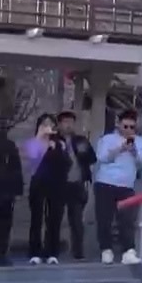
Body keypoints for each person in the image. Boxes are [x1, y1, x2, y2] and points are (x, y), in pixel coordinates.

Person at [94, 109, 142, 265]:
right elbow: (101, 157)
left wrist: (134, 152)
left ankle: (128, 251)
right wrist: (120, 149)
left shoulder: (141, 142)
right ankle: (106, 249)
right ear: (119, 124)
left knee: (127, 220)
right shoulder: (108, 139)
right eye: (125, 126)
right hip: (105, 183)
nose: (128, 130)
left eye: (132, 127)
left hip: (126, 186)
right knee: (104, 219)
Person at [23, 114, 72, 265]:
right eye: (44, 124)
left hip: (56, 183)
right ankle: (35, 252)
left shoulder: (60, 143)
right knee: (37, 218)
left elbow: (66, 164)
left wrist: (59, 148)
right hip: (38, 182)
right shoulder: (33, 142)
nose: (47, 127)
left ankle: (52, 252)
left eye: (50, 124)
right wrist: (40, 138)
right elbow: (32, 160)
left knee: (54, 218)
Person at [55, 112, 95, 261]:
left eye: (71, 122)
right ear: (59, 124)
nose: (69, 125)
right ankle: (52, 250)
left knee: (77, 219)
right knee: (55, 218)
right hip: (58, 184)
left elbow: (93, 158)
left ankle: (78, 251)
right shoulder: (54, 140)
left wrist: (83, 152)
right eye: (65, 122)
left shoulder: (80, 140)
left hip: (77, 184)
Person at [0, 128, 24, 266]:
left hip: (5, 190)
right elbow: (16, 168)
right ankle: (1, 253)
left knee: (4, 223)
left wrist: (17, 190)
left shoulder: (9, 145)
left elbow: (16, 168)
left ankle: (1, 253)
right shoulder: (9, 145)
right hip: (6, 190)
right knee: (4, 224)